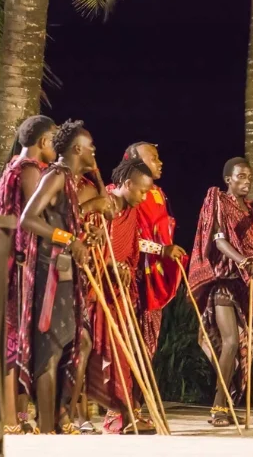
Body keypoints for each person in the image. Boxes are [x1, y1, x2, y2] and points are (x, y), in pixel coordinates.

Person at [19, 120, 107, 434]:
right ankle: (47, 427)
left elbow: (62, 220)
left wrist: (83, 232)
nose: (94, 151)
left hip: (67, 271)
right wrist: (69, 239)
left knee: (79, 341)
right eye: (91, 146)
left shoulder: (69, 180)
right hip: (50, 273)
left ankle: (60, 416)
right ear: (78, 149)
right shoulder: (55, 175)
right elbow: (28, 219)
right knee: (51, 348)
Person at [0, 115, 57, 434]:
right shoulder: (28, 170)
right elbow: (38, 212)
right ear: (43, 142)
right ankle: (10, 418)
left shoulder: (12, 167)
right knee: (13, 340)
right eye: (54, 140)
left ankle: (18, 415)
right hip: (17, 264)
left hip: (7, 261)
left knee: (13, 338)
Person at [188, 157, 253, 427]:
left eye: (249, 177)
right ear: (228, 179)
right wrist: (242, 260)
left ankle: (230, 403)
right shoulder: (218, 201)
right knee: (230, 342)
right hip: (224, 281)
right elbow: (219, 239)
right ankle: (218, 406)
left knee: (239, 350)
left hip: (246, 286)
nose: (246, 181)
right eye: (240, 176)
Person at [86, 158, 157, 434]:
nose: (143, 197)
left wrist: (125, 267)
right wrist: (110, 264)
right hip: (97, 291)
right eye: (141, 191)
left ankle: (124, 414)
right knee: (109, 353)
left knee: (124, 354)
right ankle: (117, 415)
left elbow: (130, 252)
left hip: (119, 291)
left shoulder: (131, 211)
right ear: (127, 183)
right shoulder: (103, 203)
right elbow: (91, 244)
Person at [120, 142, 187, 425]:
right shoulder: (119, 195)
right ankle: (118, 411)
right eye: (153, 158)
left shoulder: (157, 194)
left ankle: (134, 410)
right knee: (127, 345)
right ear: (135, 162)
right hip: (130, 278)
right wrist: (161, 250)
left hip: (153, 278)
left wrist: (167, 250)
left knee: (145, 349)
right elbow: (127, 239)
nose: (160, 163)